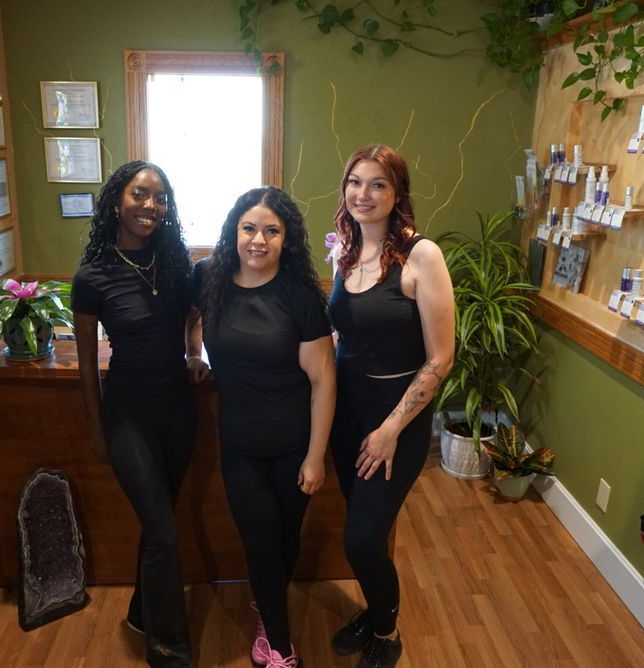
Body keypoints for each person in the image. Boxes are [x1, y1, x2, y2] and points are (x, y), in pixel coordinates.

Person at [72, 161, 208, 668]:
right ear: (116, 202)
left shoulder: (175, 263)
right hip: (128, 415)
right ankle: (168, 644)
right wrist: (96, 429)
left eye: (159, 198)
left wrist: (195, 351)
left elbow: (193, 313)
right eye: (139, 194)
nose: (149, 205)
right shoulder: (92, 276)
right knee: (165, 530)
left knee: (159, 526)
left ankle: (140, 610)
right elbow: (87, 362)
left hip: (178, 410)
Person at [328, 144, 456, 668]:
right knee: (362, 527)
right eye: (356, 182)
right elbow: (342, 334)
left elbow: (441, 358)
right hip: (346, 409)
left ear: (398, 193)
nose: (364, 194)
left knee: (361, 539)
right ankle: (376, 607)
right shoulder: (342, 249)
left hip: (395, 416)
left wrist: (390, 430)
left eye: (378, 184)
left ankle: (387, 630)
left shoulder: (421, 255)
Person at [197, 187, 336, 668]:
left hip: (295, 445)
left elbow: (323, 380)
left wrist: (316, 457)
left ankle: (266, 606)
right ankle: (279, 647)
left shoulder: (299, 298)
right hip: (240, 445)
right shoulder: (209, 279)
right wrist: (192, 352)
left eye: (271, 231)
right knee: (259, 541)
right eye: (250, 228)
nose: (259, 240)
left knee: (285, 539)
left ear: (286, 238)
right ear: (234, 232)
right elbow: (188, 318)